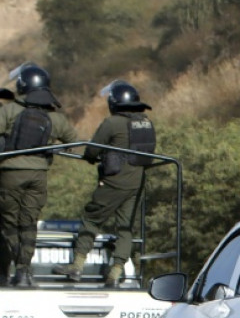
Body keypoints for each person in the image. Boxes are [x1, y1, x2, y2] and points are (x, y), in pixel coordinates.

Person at [53, 80, 156, 286]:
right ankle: (115, 273)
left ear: (114, 103)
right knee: (125, 228)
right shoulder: (146, 122)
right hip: (137, 182)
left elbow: (92, 150)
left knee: (91, 219)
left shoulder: (113, 123)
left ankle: (77, 266)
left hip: (114, 181)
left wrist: (92, 157)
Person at [0, 62, 79, 286]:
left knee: (9, 225)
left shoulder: (10, 110)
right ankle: (25, 271)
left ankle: (19, 268)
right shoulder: (56, 118)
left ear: (23, 86)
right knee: (28, 224)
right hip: (38, 176)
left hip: (10, 174)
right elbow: (74, 142)